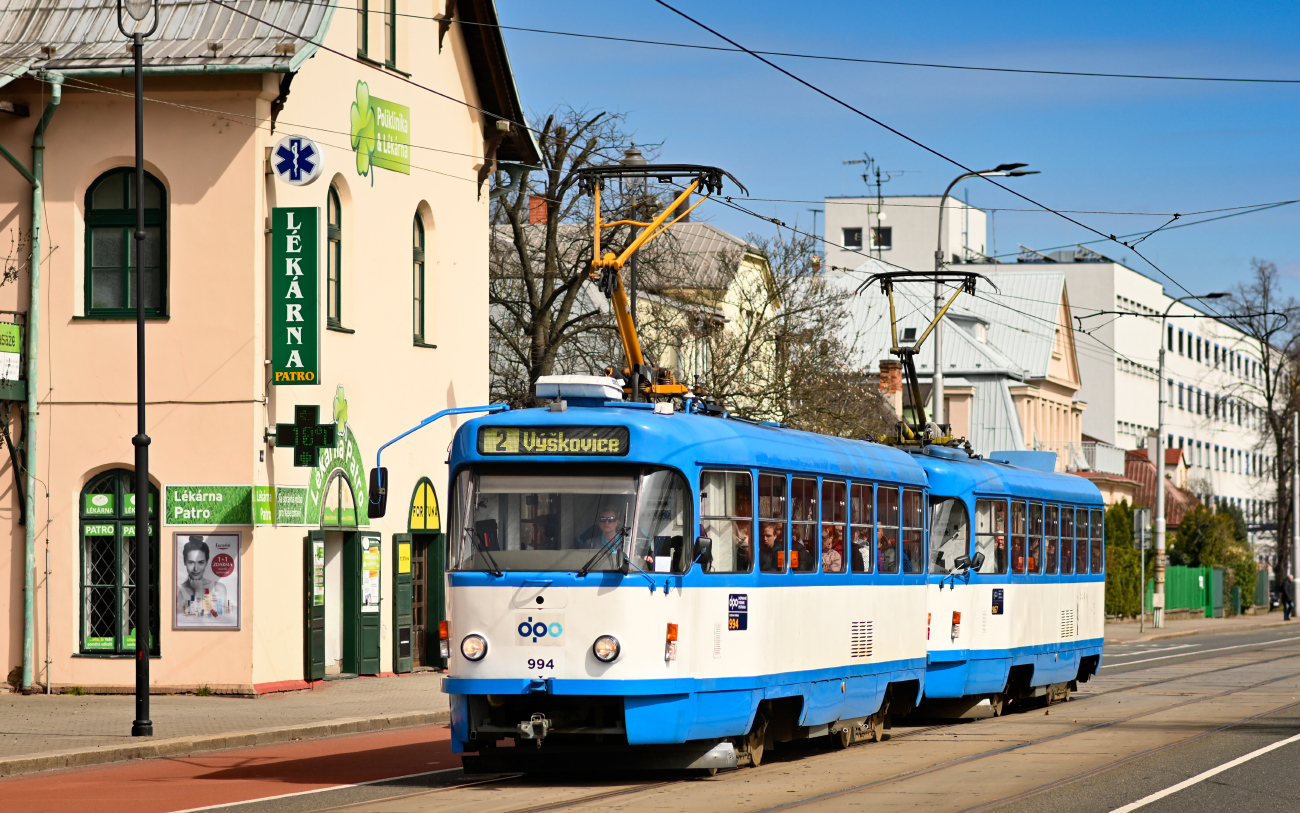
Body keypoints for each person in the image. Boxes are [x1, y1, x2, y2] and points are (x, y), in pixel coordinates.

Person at [176, 536, 228, 622]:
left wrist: (199, 591)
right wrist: (198, 591)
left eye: (200, 562)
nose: (196, 568)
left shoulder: (219, 588)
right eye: (191, 562)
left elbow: (223, 620)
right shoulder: (178, 591)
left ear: (206, 562)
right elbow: (187, 622)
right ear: (185, 562)